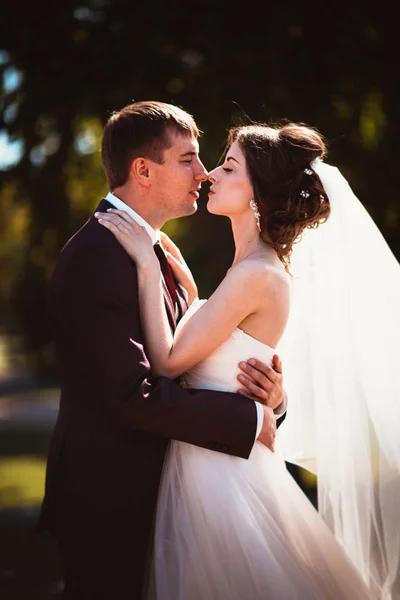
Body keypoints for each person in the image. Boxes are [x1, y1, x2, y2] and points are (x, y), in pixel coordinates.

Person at [96, 122, 377, 598]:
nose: (209, 176)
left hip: (223, 483)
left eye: (227, 167)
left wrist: (145, 264)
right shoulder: (248, 270)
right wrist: (191, 296)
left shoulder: (256, 273)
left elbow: (165, 364)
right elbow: (223, 355)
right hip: (207, 465)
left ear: (258, 195)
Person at [36, 101, 288, 600]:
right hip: (110, 498)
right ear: (143, 171)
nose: (204, 172)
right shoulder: (98, 255)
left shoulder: (157, 252)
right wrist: (248, 421)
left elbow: (192, 363)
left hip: (169, 495)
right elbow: (130, 394)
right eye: (188, 159)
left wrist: (272, 401)